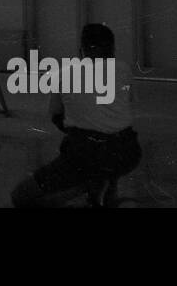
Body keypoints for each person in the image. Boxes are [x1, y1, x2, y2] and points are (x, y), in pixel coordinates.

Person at [11, 23, 141, 207]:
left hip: (85, 154)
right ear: (113, 49)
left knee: (21, 196)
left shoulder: (64, 74)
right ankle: (102, 184)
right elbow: (129, 104)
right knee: (108, 152)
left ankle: (90, 186)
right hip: (127, 152)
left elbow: (56, 115)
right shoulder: (124, 70)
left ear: (82, 49)